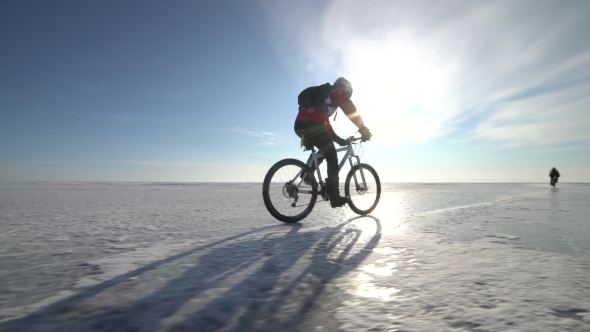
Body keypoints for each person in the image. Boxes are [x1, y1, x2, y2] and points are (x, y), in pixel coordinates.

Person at [294, 77, 372, 208]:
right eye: (348, 94)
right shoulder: (338, 92)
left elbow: (326, 126)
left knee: (325, 149)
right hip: (313, 124)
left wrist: (339, 140)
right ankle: (334, 196)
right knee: (332, 158)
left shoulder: (325, 99)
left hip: (300, 125)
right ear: (345, 89)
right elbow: (350, 110)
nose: (347, 97)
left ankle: (307, 174)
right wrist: (363, 128)